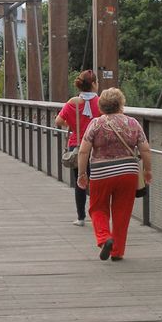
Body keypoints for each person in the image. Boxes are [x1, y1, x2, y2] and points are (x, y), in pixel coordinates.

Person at [76, 88, 152, 261]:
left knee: (97, 208)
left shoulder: (96, 124)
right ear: (121, 104)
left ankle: (104, 238)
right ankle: (117, 251)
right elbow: (145, 149)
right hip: (128, 173)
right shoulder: (133, 123)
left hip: (101, 173)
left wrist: (82, 173)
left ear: (101, 105)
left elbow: (83, 151)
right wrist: (148, 170)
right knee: (122, 212)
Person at [54, 70, 100, 226]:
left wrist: (72, 124)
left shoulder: (72, 102)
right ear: (93, 84)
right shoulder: (100, 102)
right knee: (96, 181)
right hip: (96, 146)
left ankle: (81, 218)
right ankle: (97, 216)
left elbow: (58, 121)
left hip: (77, 145)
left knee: (80, 180)